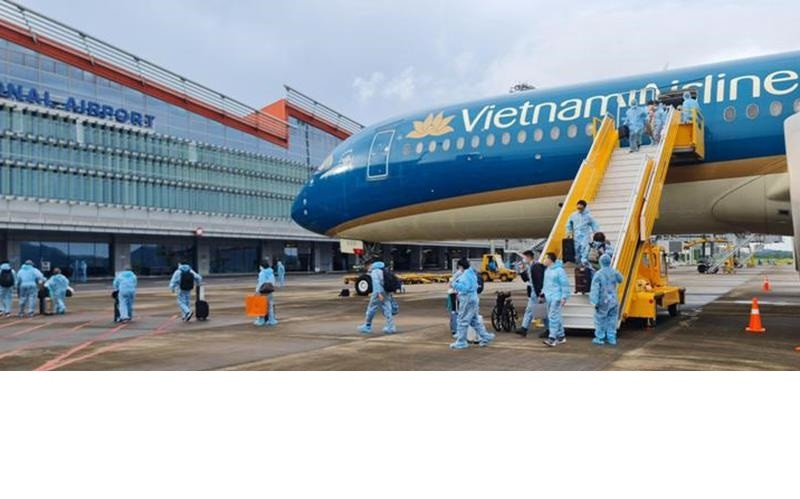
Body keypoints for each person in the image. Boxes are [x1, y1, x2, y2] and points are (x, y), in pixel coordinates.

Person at [449, 258, 495, 350]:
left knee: (462, 320)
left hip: (467, 299)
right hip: (474, 298)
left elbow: (465, 288)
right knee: (474, 321)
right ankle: (485, 336)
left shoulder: (465, 275)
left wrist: (454, 284)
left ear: (460, 266)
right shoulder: (472, 273)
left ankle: (461, 341)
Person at [589, 254, 624, 346]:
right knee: (612, 319)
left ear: (601, 262)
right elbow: (621, 280)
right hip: (613, 300)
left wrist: (594, 301)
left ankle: (600, 337)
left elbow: (595, 289)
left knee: (600, 319)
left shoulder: (598, 274)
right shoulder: (614, 272)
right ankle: (611, 337)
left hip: (603, 301)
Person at [358, 259, 396, 334]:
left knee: (371, 308)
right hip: (386, 291)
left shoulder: (375, 271)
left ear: (369, 265)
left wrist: (378, 293)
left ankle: (367, 326)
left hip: (378, 292)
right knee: (387, 309)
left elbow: (376, 283)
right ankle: (391, 327)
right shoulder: (383, 269)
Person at [515, 250, 547, 338]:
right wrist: (522, 270)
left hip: (537, 292)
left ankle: (525, 328)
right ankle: (524, 328)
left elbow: (539, 281)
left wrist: (540, 294)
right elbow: (526, 279)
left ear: (528, 257)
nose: (523, 259)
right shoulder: (530, 267)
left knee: (541, 311)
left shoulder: (536, 266)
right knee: (533, 311)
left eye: (524, 257)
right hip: (534, 292)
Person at [541, 252, 571, 347]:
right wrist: (542, 293)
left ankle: (552, 338)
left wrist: (564, 297)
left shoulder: (559, 270)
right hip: (549, 296)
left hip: (557, 297)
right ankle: (561, 336)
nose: (544, 261)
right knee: (556, 316)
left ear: (550, 259)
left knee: (553, 316)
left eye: (545, 258)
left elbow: (565, 284)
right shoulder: (547, 270)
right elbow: (546, 284)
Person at [566, 199, 599, 266]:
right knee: (576, 249)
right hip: (576, 235)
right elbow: (568, 224)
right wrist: (568, 232)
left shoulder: (588, 216)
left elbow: (594, 224)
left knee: (585, 249)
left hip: (585, 236)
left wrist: (596, 233)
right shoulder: (573, 215)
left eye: (581, 207)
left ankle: (584, 262)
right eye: (578, 207)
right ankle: (578, 263)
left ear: (584, 207)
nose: (579, 209)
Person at [254, 261, 278, 326]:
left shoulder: (262, 273)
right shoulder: (271, 273)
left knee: (261, 307)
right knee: (270, 306)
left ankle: (261, 321)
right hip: (270, 292)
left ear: (262, 266)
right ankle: (271, 320)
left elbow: (260, 283)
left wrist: (256, 292)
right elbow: (273, 282)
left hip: (262, 292)